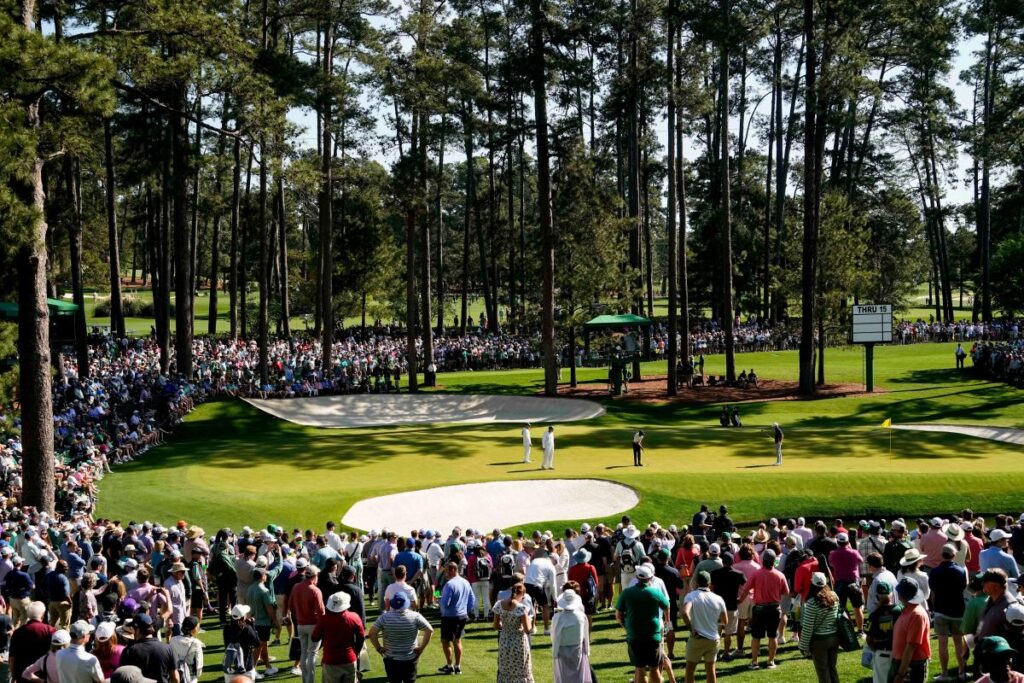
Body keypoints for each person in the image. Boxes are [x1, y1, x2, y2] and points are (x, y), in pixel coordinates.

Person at [616, 564, 669, 683]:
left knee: (639, 668)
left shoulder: (627, 592)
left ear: (637, 577)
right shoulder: (655, 592)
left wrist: (626, 627)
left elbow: (618, 616)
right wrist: (666, 621)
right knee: (654, 667)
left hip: (634, 635)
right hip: (653, 635)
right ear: (650, 578)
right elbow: (666, 606)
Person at [368, 593, 433, 683]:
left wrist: (378, 648)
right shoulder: (415, 616)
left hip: (391, 659)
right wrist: (421, 648)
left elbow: (371, 634)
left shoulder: (384, 617)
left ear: (392, 604)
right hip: (410, 658)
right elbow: (429, 630)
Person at [741, 548, 789, 670]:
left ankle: (754, 662)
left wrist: (740, 600)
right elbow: (786, 592)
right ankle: (770, 661)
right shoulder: (780, 575)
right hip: (774, 608)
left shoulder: (756, 574)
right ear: (774, 561)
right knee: (773, 636)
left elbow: (746, 589)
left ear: (763, 560)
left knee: (756, 637)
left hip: (759, 608)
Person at [928, 544, 968, 681]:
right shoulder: (961, 571)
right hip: (957, 610)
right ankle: (962, 672)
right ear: (954, 555)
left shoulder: (934, 571)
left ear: (942, 555)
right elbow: (963, 588)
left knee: (942, 644)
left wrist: (934, 609)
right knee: (959, 643)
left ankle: (944, 674)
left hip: (940, 610)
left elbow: (932, 593)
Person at [681, 571, 727, 683]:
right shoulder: (718, 598)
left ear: (696, 582)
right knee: (711, 670)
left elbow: (684, 613)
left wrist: (691, 629)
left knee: (690, 671)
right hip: (713, 639)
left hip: (697, 639)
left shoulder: (691, 596)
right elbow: (725, 621)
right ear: (709, 583)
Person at [312, 592, 365, 683]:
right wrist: (355, 652)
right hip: (349, 659)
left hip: (330, 660)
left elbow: (314, 638)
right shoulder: (354, 617)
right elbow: (361, 638)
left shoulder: (324, 619)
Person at [798, 572, 840, 683]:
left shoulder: (812, 602)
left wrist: (803, 646)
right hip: (834, 637)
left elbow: (808, 627)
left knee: (823, 671)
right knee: (832, 668)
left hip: (820, 641)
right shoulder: (834, 596)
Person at [288, 566, 325, 683]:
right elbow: (321, 612)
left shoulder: (296, 587)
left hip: (301, 625)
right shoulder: (315, 590)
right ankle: (310, 681)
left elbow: (291, 606)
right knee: (312, 654)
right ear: (315, 576)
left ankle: (306, 680)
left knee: (304, 653)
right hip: (313, 625)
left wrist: (299, 615)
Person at [493, 581, 535, 683]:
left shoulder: (499, 604)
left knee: (506, 669)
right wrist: (532, 618)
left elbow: (496, 626)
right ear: (522, 594)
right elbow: (527, 630)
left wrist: (506, 625)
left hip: (504, 641)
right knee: (521, 670)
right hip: (518, 642)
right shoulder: (521, 608)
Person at [438, 562, 475, 675]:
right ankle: (457, 666)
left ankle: (450, 666)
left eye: (447, 571)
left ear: (453, 570)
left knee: (445, 641)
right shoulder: (466, 582)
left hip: (449, 616)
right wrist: (465, 610)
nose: (446, 574)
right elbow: (472, 600)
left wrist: (439, 600)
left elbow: (445, 603)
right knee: (457, 640)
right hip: (462, 616)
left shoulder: (449, 584)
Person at [891, 578, 931, 683]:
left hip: (913, 666)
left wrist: (900, 675)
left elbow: (911, 647)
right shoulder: (906, 610)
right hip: (904, 663)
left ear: (901, 595)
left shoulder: (916, 615)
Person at [120, 614, 178, 683]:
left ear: (138, 630)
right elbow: (175, 678)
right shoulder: (167, 648)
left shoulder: (129, 651)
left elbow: (122, 677)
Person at [551, 589, 592, 683]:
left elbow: (554, 635)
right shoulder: (581, 616)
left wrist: (555, 651)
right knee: (578, 673)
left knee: (564, 675)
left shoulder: (557, 617)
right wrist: (586, 649)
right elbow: (586, 634)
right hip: (576, 648)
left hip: (564, 648)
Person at [865, 581, 900, 683]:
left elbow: (869, 638)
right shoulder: (900, 611)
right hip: (900, 653)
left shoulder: (874, 615)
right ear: (892, 594)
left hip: (882, 653)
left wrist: (874, 649)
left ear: (877, 597)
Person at [222, 605, 259, 683]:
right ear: (243, 617)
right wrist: (252, 626)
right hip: (246, 668)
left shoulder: (226, 629)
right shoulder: (248, 629)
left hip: (230, 667)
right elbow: (257, 643)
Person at [170, 616, 204, 683]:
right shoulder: (196, 643)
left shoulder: (173, 640)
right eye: (198, 627)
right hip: (191, 677)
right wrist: (197, 675)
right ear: (194, 629)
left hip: (176, 674)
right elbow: (199, 664)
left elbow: (170, 658)